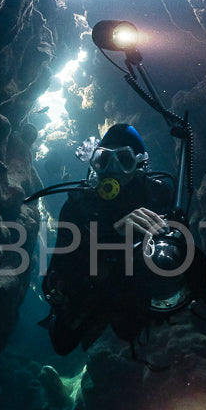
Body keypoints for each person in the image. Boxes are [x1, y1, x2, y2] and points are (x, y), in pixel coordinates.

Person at [40, 123, 174, 354]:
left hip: (137, 299)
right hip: (95, 295)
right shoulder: (78, 207)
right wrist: (114, 236)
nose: (112, 169)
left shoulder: (157, 197)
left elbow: (181, 264)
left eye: (124, 159)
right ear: (94, 165)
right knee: (62, 341)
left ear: (140, 164)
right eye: (103, 160)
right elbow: (55, 276)